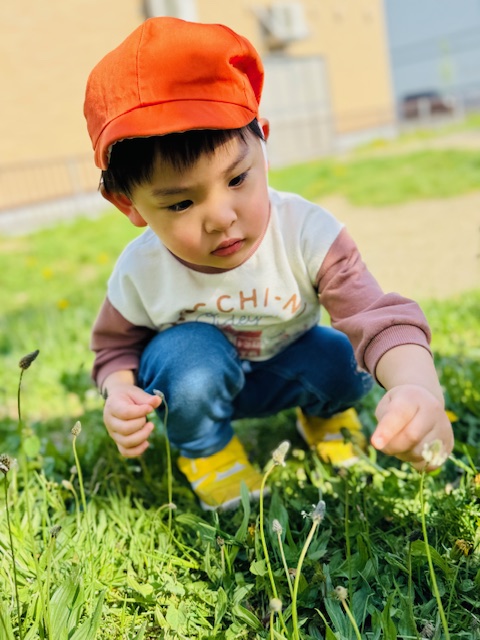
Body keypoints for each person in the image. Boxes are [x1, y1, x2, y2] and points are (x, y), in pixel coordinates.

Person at [83, 17, 454, 510]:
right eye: (180, 203)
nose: (221, 217)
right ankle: (207, 451)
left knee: (346, 357)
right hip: (194, 385)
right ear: (128, 204)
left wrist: (418, 388)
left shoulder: (308, 233)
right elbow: (114, 348)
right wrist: (118, 391)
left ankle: (324, 416)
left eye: (237, 179)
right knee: (189, 356)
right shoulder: (142, 271)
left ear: (263, 141)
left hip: (283, 367)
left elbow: (376, 319)